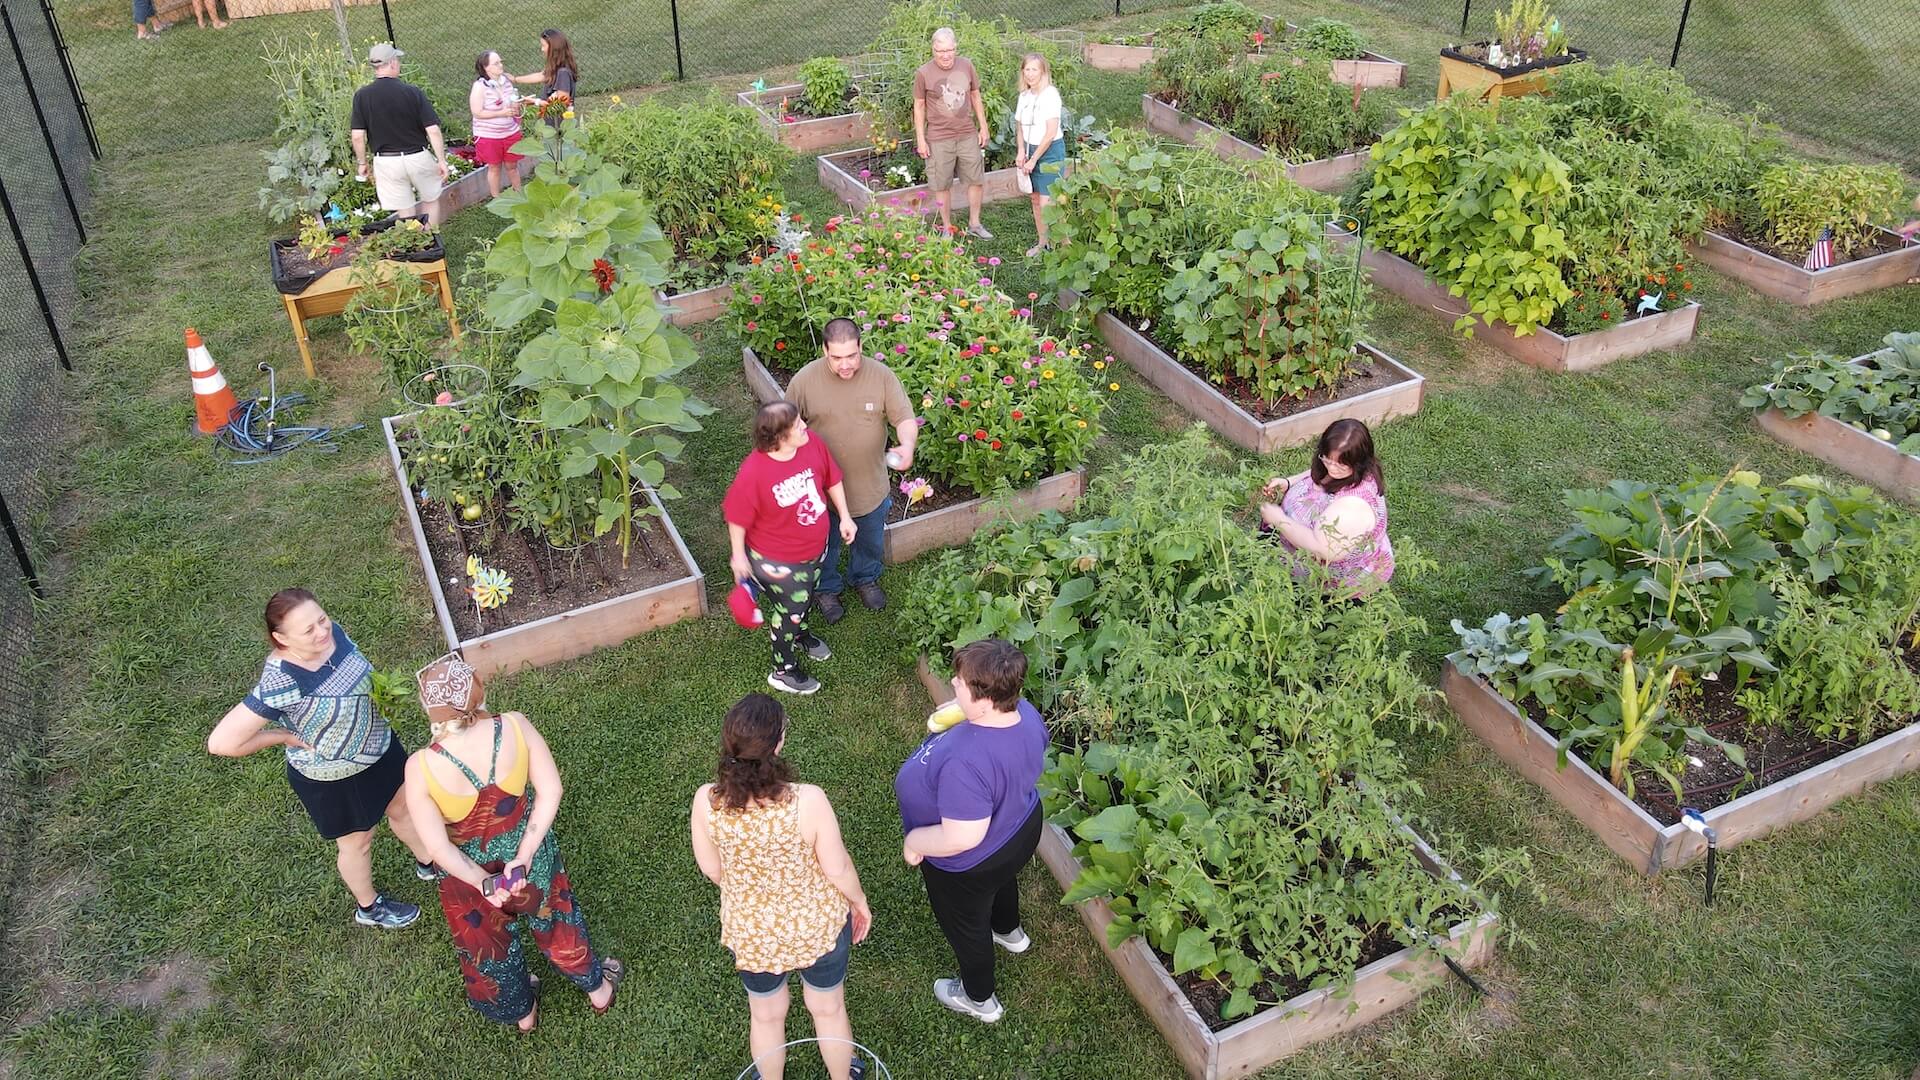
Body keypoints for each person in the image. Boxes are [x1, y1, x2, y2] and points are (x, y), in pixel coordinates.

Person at [402, 654, 622, 1032]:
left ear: (430, 711)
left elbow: (438, 849)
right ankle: (598, 990)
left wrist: (485, 883)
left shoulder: (420, 767)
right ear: (479, 691)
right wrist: (521, 858)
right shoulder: (515, 726)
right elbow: (551, 790)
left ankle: (523, 1013)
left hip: (469, 882)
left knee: (491, 947)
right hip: (530, 860)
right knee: (556, 921)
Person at [208, 588, 434, 930]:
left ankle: (430, 862)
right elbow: (221, 742)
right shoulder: (281, 681)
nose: (322, 632)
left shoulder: (335, 634)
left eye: (322, 619)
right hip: (336, 777)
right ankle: (370, 908)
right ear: (280, 638)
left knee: (404, 808)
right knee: (358, 842)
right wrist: (281, 736)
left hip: (379, 747)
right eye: (308, 630)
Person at [691, 694, 873, 1080]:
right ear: (777, 745)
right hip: (818, 925)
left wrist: (751, 889)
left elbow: (711, 867)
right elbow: (838, 868)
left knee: (766, 1013)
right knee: (828, 1009)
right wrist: (859, 902)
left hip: (751, 930)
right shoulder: (808, 801)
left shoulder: (707, 802)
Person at [895, 639, 1047, 1024]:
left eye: (959, 682)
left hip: (969, 863)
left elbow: (962, 837)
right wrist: (959, 712)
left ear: (984, 698)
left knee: (967, 926)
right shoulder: (1024, 713)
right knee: (1001, 882)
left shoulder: (968, 763)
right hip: (1019, 828)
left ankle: (979, 998)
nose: (952, 682)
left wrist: (916, 841)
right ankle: (1009, 932)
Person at [783, 318, 919, 624]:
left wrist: (907, 445)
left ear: (860, 347)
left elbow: (905, 419)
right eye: (837, 358)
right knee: (824, 546)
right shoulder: (804, 382)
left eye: (852, 356)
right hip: (820, 492)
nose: (846, 365)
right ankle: (827, 588)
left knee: (870, 541)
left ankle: (865, 578)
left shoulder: (882, 377)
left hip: (869, 487)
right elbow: (783, 427)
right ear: (824, 351)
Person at [723, 401, 859, 695]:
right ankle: (782, 670)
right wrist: (737, 555)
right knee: (789, 610)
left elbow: (832, 478)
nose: (804, 428)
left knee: (805, 599)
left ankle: (800, 634)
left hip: (814, 550)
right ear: (779, 437)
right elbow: (736, 515)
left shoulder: (812, 445)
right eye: (797, 426)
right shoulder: (754, 472)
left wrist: (845, 516)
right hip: (780, 560)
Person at [1258, 418, 1396, 593]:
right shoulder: (1345, 471)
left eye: (1341, 464)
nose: (1332, 469)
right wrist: (1288, 483)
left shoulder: (1353, 507)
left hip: (1334, 586)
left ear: (1359, 462)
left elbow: (1322, 549)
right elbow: (1319, 476)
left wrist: (1280, 521)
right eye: (1327, 460)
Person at [350, 43, 450, 227]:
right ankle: (430, 240)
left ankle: (414, 248)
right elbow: (433, 130)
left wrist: (362, 163)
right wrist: (441, 160)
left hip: (387, 162)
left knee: (405, 210)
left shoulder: (362, 96)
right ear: (393, 63)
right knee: (430, 200)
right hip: (418, 157)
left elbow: (357, 136)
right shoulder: (412, 92)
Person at [914, 27, 993, 240]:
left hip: (967, 133)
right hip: (939, 137)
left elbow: (976, 96)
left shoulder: (966, 65)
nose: (946, 55)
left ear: (955, 48)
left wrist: (983, 126)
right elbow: (919, 106)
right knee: (942, 184)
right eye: (941, 51)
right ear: (933, 50)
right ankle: (947, 227)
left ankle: (975, 223)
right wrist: (921, 139)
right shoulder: (923, 73)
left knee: (975, 179)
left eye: (950, 50)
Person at [1013, 52, 1064, 259]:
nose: (1030, 74)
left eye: (1035, 69)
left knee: (1048, 203)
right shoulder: (1024, 97)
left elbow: (1051, 132)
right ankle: (1043, 243)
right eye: (1027, 70)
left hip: (1049, 152)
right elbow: (1020, 127)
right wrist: (1022, 151)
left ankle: (1062, 244)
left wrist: (1034, 159)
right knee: (1035, 200)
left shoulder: (1050, 95)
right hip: (1030, 150)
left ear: (1043, 72)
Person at [469, 51, 526, 199]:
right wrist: (501, 113)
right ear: (485, 68)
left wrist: (516, 106)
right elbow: (477, 112)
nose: (501, 65)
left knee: (512, 166)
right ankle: (497, 198)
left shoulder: (506, 81)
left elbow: (512, 101)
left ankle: (519, 194)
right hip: (489, 135)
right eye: (496, 63)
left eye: (501, 62)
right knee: (494, 167)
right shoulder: (479, 87)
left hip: (510, 131)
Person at [513, 29, 579, 104]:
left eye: (543, 45)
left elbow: (563, 103)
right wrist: (515, 79)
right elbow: (541, 76)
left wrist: (536, 102)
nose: (542, 49)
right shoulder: (557, 67)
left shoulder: (563, 73)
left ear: (553, 48)